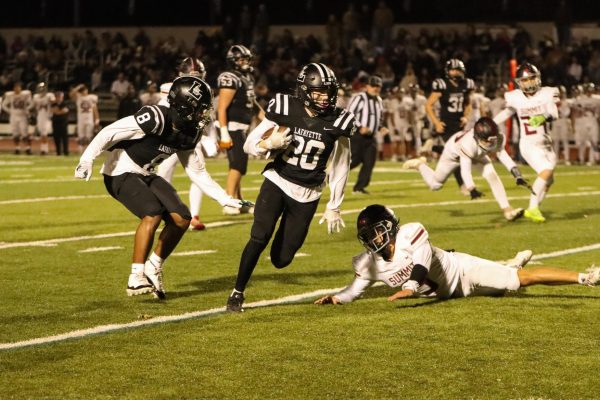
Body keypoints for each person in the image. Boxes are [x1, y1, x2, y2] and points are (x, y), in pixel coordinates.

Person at [74, 76, 243, 299]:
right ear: (184, 106)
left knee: (183, 219)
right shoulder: (156, 117)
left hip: (146, 173)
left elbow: (196, 171)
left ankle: (154, 266)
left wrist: (225, 198)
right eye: (200, 108)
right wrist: (87, 159)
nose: (204, 113)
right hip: (119, 171)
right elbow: (110, 132)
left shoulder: (189, 132)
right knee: (152, 212)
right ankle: (135, 277)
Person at [226, 62, 357, 312]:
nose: (325, 97)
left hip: (308, 192)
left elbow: (341, 164)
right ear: (304, 90)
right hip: (278, 179)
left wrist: (334, 205)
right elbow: (249, 144)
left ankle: (278, 251)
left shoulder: (340, 119)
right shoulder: (285, 107)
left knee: (282, 259)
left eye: (328, 91)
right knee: (259, 235)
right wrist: (268, 144)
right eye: (318, 91)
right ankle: (237, 292)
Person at [314, 205, 600, 305]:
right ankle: (510, 263)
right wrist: (338, 297)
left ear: (389, 228)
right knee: (502, 290)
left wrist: (410, 286)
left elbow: (422, 261)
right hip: (455, 294)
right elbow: (356, 288)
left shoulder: (410, 232)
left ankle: (586, 278)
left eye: (375, 232)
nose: (372, 240)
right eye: (367, 236)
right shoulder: (367, 262)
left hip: (462, 270)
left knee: (522, 280)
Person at [403, 117, 526, 221]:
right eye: (487, 141)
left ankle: (507, 210)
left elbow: (503, 155)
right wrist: (471, 188)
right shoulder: (467, 144)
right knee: (435, 185)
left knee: (492, 175)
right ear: (478, 137)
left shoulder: (496, 137)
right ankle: (420, 165)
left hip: (475, 154)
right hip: (453, 156)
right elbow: (465, 169)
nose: (490, 144)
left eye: (492, 140)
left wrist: (517, 174)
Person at [493, 63, 559, 223]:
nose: (528, 83)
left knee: (549, 180)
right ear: (519, 82)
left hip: (546, 143)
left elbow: (554, 113)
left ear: (538, 78)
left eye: (531, 79)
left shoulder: (547, 93)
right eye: (525, 80)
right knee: (546, 171)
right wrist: (491, 123)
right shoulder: (515, 97)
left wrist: (543, 117)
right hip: (529, 144)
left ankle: (534, 208)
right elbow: (507, 113)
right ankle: (532, 207)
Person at [157, 57, 216, 231]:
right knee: (163, 176)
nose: (196, 78)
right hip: (170, 135)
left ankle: (194, 216)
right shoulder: (170, 88)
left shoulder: (205, 90)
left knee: (198, 176)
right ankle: (164, 213)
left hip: (191, 137)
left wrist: (211, 137)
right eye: (193, 75)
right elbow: (163, 110)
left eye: (198, 75)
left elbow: (208, 117)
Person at [217, 44, 262, 215]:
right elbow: (221, 108)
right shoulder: (230, 77)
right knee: (238, 164)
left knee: (239, 164)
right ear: (233, 61)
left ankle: (239, 201)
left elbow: (253, 104)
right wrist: (224, 133)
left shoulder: (247, 77)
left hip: (241, 127)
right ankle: (229, 201)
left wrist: (268, 120)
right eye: (241, 59)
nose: (245, 62)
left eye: (246, 59)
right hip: (231, 127)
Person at [425, 59, 475, 193]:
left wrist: (466, 116)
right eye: (453, 70)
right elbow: (428, 105)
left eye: (458, 70)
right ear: (448, 71)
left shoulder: (466, 84)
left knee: (456, 153)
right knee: (458, 154)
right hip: (446, 125)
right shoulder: (442, 85)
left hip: (459, 125)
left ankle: (434, 148)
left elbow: (468, 104)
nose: (456, 72)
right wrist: (436, 123)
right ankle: (463, 185)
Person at [347, 75, 387, 194]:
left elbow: (379, 118)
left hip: (371, 137)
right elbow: (349, 114)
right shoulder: (359, 97)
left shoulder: (379, 100)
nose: (376, 88)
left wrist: (381, 127)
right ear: (367, 86)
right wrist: (359, 127)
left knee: (369, 162)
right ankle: (333, 175)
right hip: (358, 136)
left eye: (378, 86)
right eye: (373, 86)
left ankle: (359, 188)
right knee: (355, 161)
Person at [2, 81, 33, 154]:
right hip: (13, 116)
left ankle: (27, 148)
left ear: (21, 88)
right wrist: (10, 111)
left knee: (24, 132)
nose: (17, 89)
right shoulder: (10, 95)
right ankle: (17, 148)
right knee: (15, 133)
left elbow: (31, 103)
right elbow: (4, 105)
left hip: (23, 116)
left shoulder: (25, 95)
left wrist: (27, 109)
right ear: (13, 88)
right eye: (15, 87)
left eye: (18, 87)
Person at [69, 83, 99, 154]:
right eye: (82, 90)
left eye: (84, 90)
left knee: (88, 137)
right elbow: (71, 95)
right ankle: (81, 151)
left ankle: (88, 152)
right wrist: (78, 87)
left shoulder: (91, 97)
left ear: (87, 90)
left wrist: (97, 119)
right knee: (81, 136)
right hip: (81, 120)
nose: (83, 91)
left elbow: (95, 109)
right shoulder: (79, 98)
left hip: (89, 120)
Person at [32, 82, 56, 155]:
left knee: (45, 134)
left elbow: (54, 102)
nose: (41, 90)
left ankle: (45, 150)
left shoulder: (49, 95)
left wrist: (50, 100)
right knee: (42, 134)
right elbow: (34, 106)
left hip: (47, 117)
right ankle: (43, 149)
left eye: (42, 88)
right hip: (39, 117)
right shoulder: (35, 97)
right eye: (40, 88)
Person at [51, 91, 70, 156]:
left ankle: (66, 151)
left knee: (64, 137)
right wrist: (60, 111)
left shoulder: (65, 103)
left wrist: (58, 111)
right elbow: (54, 111)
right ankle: (58, 152)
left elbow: (64, 111)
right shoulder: (53, 104)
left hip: (63, 122)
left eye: (60, 97)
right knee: (56, 137)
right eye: (57, 97)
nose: (59, 98)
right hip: (55, 122)